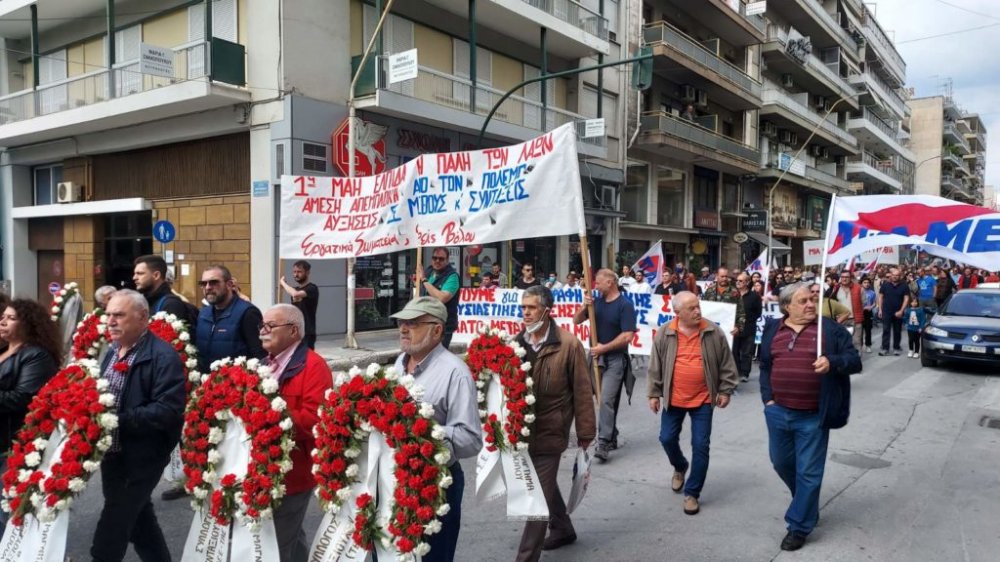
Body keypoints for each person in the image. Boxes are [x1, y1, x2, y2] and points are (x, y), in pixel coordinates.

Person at [759, 282, 862, 552]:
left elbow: (854, 360)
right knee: (781, 463)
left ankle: (799, 526)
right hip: (778, 412)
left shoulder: (830, 330)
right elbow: (765, 366)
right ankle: (806, 502)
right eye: (802, 301)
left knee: (809, 473)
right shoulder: (773, 329)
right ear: (786, 307)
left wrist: (832, 362)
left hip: (814, 415)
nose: (809, 305)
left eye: (811, 300)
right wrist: (768, 400)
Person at [90, 290, 186, 562]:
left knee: (111, 532)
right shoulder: (112, 351)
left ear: (143, 317)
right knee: (141, 522)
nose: (110, 321)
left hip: (142, 458)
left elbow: (168, 410)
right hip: (113, 454)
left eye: (118, 315)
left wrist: (115, 420)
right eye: (108, 314)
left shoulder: (162, 356)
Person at [391, 297, 481, 562]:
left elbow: (470, 439)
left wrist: (426, 433)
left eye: (414, 323)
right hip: (395, 477)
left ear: (437, 330)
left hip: (436, 482)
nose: (403, 329)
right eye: (402, 322)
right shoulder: (399, 363)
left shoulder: (456, 373)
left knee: (432, 556)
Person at [514, 286, 595, 560]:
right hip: (523, 430)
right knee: (544, 485)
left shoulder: (569, 344)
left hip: (552, 431)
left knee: (537, 498)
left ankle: (526, 557)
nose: (526, 312)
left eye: (532, 307)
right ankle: (562, 527)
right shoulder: (516, 342)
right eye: (523, 307)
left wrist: (585, 433)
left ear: (547, 311)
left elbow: (583, 391)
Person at [647, 292, 737, 517]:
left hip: (704, 399)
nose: (697, 311)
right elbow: (655, 365)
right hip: (673, 398)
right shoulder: (665, 332)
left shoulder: (713, 332)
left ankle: (692, 493)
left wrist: (725, 389)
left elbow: (727, 363)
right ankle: (679, 466)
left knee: (701, 445)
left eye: (698, 306)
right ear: (677, 313)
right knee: (666, 438)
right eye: (691, 308)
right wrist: (654, 393)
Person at [259, 304, 332, 561]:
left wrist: (270, 418)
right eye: (262, 326)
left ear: (293, 331)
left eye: (270, 326)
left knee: (276, 547)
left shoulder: (314, 366)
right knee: (290, 536)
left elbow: (316, 419)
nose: (262, 332)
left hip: (294, 473)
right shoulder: (262, 363)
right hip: (266, 468)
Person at [0, 298, 61, 527]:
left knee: (9, 511)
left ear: (28, 324)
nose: (3, 321)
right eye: (3, 316)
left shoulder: (37, 356)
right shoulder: (5, 349)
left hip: (13, 444)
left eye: (11, 318)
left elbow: (24, 399)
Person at [573, 269, 636, 462]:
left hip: (615, 360)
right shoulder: (595, 303)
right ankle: (612, 433)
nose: (595, 286)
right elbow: (576, 321)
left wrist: (604, 348)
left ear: (610, 283)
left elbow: (627, 336)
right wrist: (585, 307)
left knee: (606, 399)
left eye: (598, 283)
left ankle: (603, 442)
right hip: (595, 359)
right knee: (602, 400)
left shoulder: (625, 305)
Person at [195, 265, 266, 373]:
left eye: (214, 282)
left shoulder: (248, 313)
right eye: (203, 283)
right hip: (206, 385)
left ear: (229, 284)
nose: (208, 287)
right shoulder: (203, 314)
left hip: (235, 385)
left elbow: (260, 355)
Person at [417, 247, 461, 348]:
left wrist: (424, 280)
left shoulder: (452, 276)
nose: (437, 261)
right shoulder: (428, 271)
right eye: (434, 258)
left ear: (447, 260)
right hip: (425, 323)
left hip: (443, 326)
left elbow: (442, 298)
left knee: (436, 358)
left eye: (441, 259)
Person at [133, 254, 195, 326]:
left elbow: (172, 336)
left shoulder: (171, 304)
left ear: (156, 275)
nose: (134, 277)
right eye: (134, 273)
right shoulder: (146, 302)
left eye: (140, 273)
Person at [279, 259, 320, 350]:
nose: (296, 274)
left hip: (307, 332)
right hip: (295, 331)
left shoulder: (312, 288)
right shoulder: (295, 288)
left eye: (299, 272)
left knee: (306, 359)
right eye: (294, 272)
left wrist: (283, 283)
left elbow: (295, 294)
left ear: (307, 272)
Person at [701, 268, 747, 339]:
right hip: (711, 330)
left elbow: (741, 312)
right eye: (722, 276)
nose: (725, 279)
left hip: (728, 330)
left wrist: (738, 327)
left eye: (726, 276)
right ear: (717, 276)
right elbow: (703, 309)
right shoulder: (709, 291)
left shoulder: (734, 292)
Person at [735, 272, 762, 382]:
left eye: (741, 281)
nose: (738, 282)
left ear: (747, 282)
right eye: (737, 280)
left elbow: (758, 313)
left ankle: (745, 373)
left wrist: (748, 320)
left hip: (749, 328)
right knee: (734, 351)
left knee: (747, 352)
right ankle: (736, 371)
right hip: (734, 329)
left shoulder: (754, 296)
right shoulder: (733, 295)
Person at [878, 267, 910, 356]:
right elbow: (880, 297)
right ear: (891, 276)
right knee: (886, 330)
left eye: (897, 275)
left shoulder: (904, 285)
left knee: (897, 331)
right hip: (886, 311)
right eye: (893, 275)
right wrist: (880, 309)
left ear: (900, 276)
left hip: (898, 312)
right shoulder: (885, 284)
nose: (895, 277)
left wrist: (901, 310)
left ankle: (896, 348)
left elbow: (906, 299)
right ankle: (885, 348)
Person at [835, 271, 865, 353]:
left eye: (847, 277)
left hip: (855, 319)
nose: (844, 279)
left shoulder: (859, 288)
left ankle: (857, 361)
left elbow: (863, 303)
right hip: (841, 320)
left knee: (856, 341)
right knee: (842, 341)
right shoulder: (835, 289)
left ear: (851, 278)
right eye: (843, 277)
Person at [860, 277, 876, 353]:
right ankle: (859, 345)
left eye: (868, 283)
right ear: (861, 283)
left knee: (868, 330)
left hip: (868, 313)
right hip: (860, 312)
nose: (866, 284)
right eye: (865, 282)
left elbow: (874, 303)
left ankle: (868, 345)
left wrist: (871, 307)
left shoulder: (872, 293)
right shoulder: (858, 291)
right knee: (859, 330)